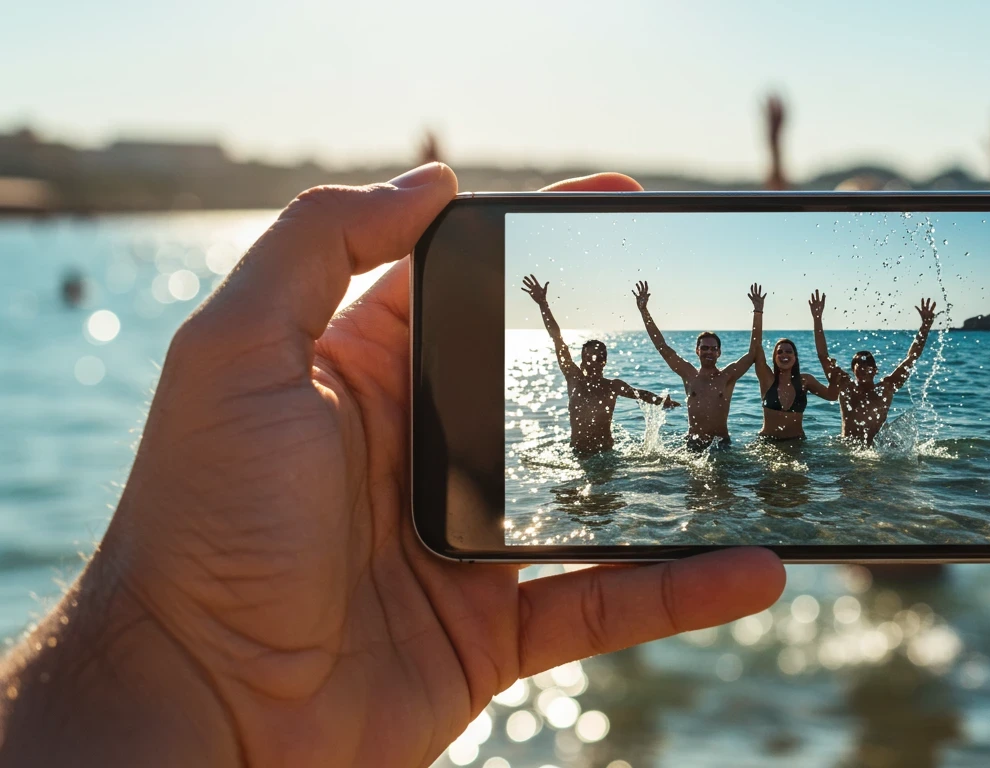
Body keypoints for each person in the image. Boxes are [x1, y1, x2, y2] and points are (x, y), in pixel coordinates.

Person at [0, 166, 785, 766]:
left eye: (592, 349)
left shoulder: (638, 378)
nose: (588, 356)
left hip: (653, 459)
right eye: (586, 349)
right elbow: (618, 349)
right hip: (589, 463)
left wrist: (183, 656)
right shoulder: (599, 371)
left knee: (637, 521)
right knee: (598, 514)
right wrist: (559, 305)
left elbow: (652, 371)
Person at [520, 274, 679, 454]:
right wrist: (543, 305)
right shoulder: (574, 378)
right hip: (577, 453)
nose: (594, 361)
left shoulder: (612, 386)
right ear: (582, 360)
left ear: (605, 361)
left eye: (599, 357)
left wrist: (661, 401)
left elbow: (639, 394)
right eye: (589, 357)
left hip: (606, 454)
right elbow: (557, 339)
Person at [633, 281, 764, 451]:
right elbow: (662, 347)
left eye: (713, 349)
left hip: (721, 445)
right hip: (693, 445)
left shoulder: (727, 376)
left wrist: (758, 311)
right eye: (704, 348)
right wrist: (644, 311)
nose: (709, 352)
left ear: (719, 353)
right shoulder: (689, 374)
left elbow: (754, 351)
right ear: (697, 351)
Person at [811, 289, 938, 446]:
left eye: (869, 363)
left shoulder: (886, 388)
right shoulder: (844, 385)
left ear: (876, 370)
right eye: (860, 363)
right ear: (853, 369)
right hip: (848, 451)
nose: (864, 367)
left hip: (877, 453)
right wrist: (817, 318)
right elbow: (823, 356)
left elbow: (911, 357)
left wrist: (925, 328)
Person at [749, 289, 836, 440]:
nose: (784, 355)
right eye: (780, 352)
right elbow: (756, 347)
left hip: (797, 443)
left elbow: (832, 396)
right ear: (774, 357)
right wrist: (758, 311)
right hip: (768, 444)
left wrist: (817, 318)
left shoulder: (805, 381)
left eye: (789, 352)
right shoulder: (767, 378)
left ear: (795, 357)